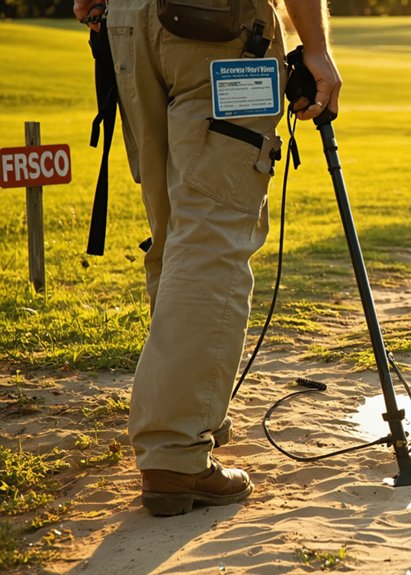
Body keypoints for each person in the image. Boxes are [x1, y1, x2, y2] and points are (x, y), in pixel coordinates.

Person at [72, 0, 341, 516]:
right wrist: (319, 50)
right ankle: (174, 449)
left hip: (128, 23)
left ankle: (192, 410)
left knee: (176, 231)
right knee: (210, 237)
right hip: (219, 27)